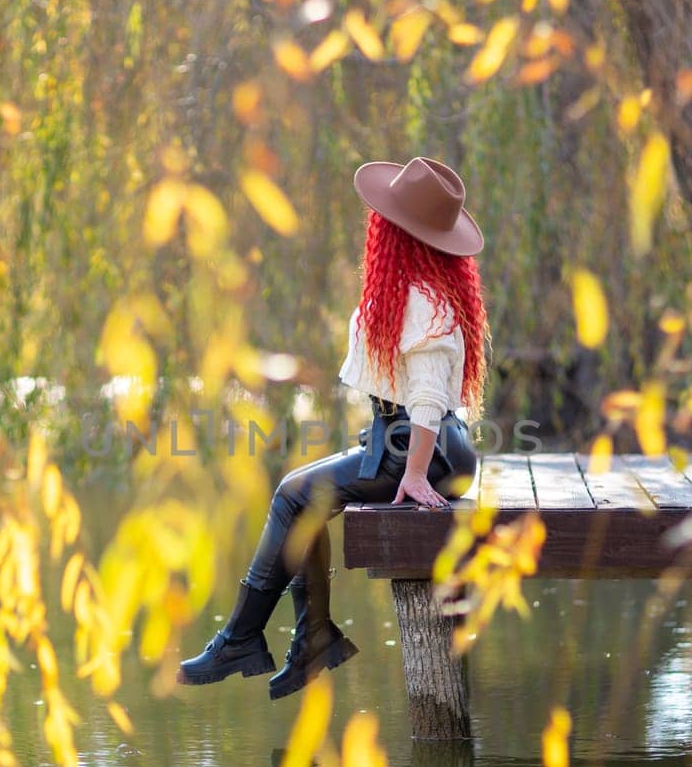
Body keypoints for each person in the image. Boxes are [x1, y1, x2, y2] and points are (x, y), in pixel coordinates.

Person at [178, 156, 489, 699]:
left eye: (383, 218)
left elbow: (426, 398)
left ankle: (248, 638)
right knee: (303, 496)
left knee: (292, 495)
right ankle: (303, 636)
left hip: (424, 450)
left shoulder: (423, 302)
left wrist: (413, 475)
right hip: (429, 445)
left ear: (394, 232)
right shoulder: (426, 289)